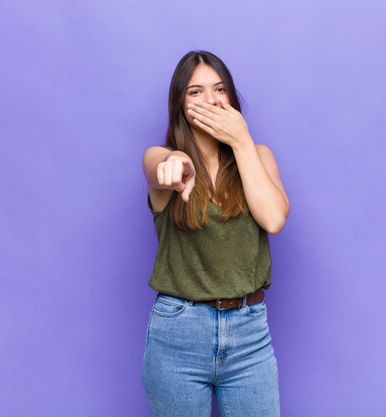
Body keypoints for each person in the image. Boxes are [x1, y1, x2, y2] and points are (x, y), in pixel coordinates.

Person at [141, 50, 289, 417]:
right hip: (179, 334)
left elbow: (273, 219)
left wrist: (240, 142)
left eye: (219, 89)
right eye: (195, 92)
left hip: (249, 334)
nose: (210, 99)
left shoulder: (259, 157)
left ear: (232, 99)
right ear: (179, 104)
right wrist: (174, 164)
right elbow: (157, 166)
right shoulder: (163, 157)